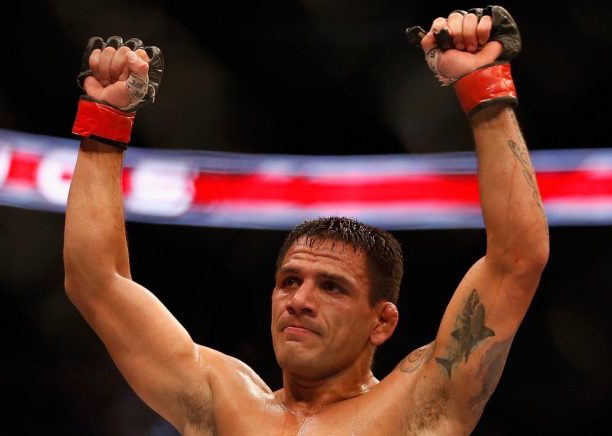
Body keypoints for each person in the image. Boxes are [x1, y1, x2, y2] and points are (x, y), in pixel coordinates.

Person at [63, 5, 549, 435]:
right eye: (289, 281)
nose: (299, 301)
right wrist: (105, 120)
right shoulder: (220, 401)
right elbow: (96, 281)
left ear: (381, 322)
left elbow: (516, 260)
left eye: (332, 287)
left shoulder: (418, 404)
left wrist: (484, 87)